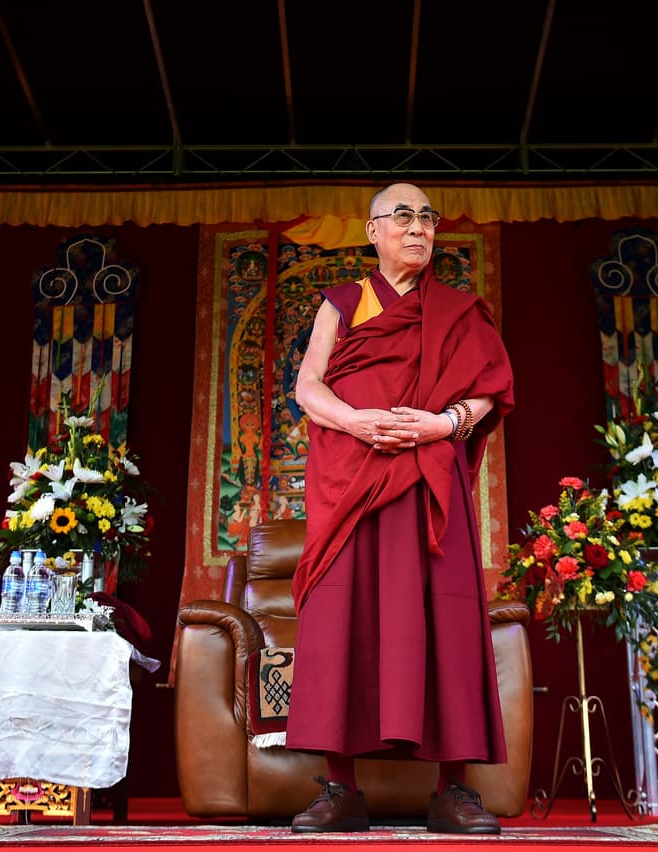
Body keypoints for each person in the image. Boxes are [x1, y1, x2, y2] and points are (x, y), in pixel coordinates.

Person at [285, 183, 515, 834]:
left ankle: (454, 791)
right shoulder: (345, 302)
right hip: (353, 482)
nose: (418, 229)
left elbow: (490, 394)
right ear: (372, 229)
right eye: (403, 217)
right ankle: (340, 789)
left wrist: (442, 424)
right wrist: (358, 423)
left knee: (444, 623)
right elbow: (308, 386)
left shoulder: (461, 310)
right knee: (341, 619)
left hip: (428, 483)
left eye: (427, 218)